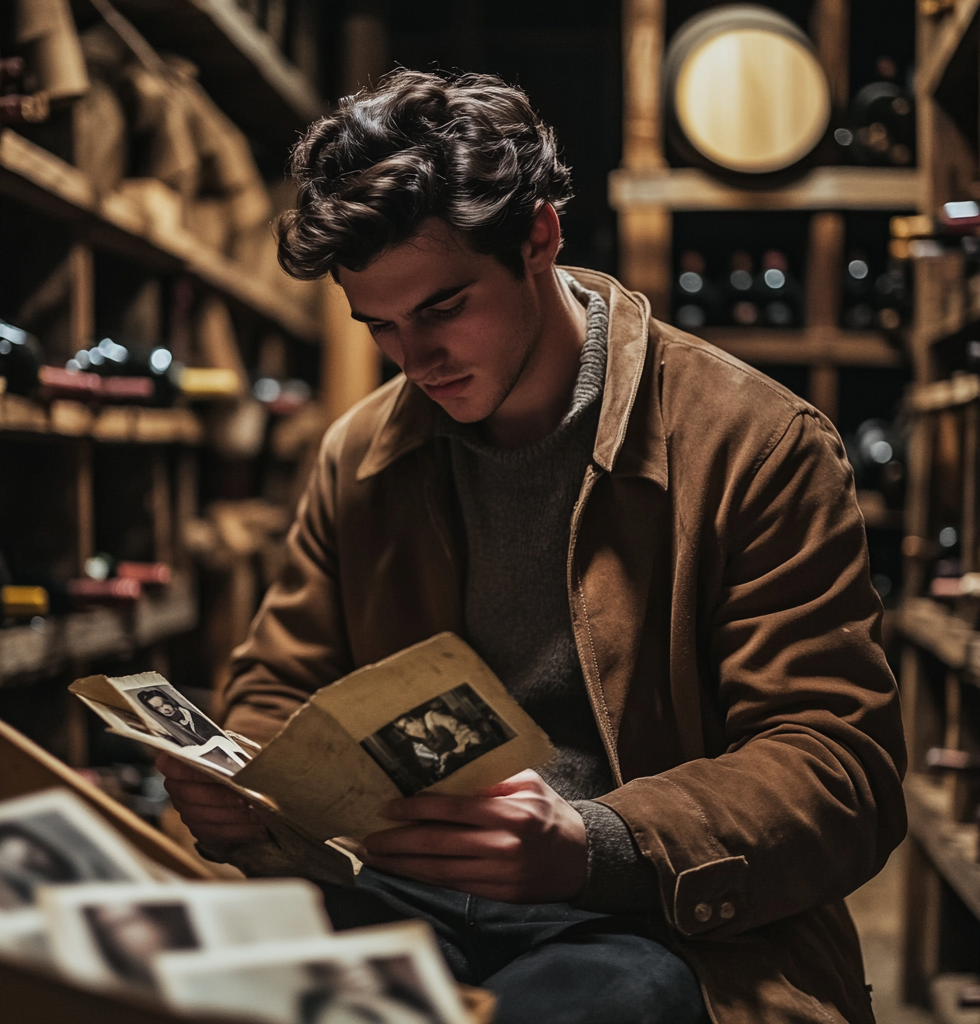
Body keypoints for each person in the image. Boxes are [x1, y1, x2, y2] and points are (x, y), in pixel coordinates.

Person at [157, 70, 907, 1024]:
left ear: (539, 238)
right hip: (401, 886)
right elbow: (276, 685)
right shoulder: (361, 453)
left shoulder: (756, 442)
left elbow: (838, 766)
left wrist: (594, 842)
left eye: (440, 308)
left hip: (646, 914)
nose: (413, 360)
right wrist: (248, 786)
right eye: (379, 326)